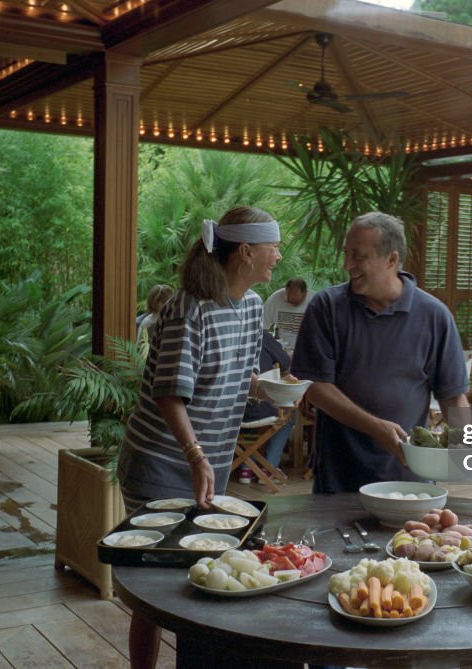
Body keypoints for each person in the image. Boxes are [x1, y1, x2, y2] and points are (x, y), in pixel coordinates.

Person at [116, 205, 282, 669]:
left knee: (204, 570)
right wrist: (195, 455)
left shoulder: (250, 307)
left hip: (208, 467)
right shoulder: (189, 309)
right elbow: (170, 394)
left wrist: (272, 389)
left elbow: (240, 374)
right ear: (245, 252)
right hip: (161, 463)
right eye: (273, 247)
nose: (278, 257)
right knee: (155, 587)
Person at [290, 211, 470, 493]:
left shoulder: (434, 315)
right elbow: (314, 387)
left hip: (409, 478)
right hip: (339, 477)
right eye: (346, 254)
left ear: (392, 260)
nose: (348, 264)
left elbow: (452, 395)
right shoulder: (326, 307)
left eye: (359, 256)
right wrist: (377, 427)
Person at [236, 330, 295, 483]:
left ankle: (246, 469)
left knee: (248, 417)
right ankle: (269, 468)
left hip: (228, 412)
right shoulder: (262, 336)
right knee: (289, 416)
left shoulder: (225, 334)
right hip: (260, 406)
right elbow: (285, 363)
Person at [262, 276, 312, 349]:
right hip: (281, 346)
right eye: (289, 301)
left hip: (306, 347)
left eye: (296, 302)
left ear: (305, 293)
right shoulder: (275, 299)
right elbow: (263, 326)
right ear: (285, 292)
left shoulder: (314, 302)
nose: (292, 305)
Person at [135, 283, 174, 357]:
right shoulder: (149, 322)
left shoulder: (171, 318)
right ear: (154, 303)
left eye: (170, 301)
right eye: (164, 301)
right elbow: (140, 348)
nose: (168, 304)